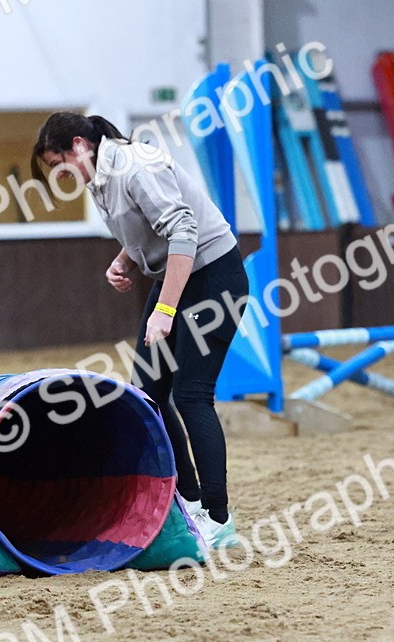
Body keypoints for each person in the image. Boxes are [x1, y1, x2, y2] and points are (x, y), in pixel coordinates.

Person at [32, 112, 247, 548]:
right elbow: (146, 229)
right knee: (148, 389)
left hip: (214, 277)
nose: (59, 175)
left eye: (58, 164)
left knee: (191, 393)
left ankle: (219, 518)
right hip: (180, 275)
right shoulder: (99, 177)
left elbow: (184, 231)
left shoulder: (135, 167)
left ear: (79, 145)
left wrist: (164, 308)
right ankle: (187, 501)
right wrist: (125, 259)